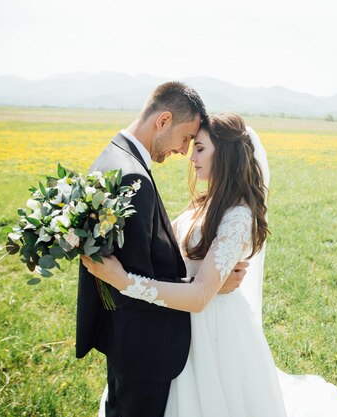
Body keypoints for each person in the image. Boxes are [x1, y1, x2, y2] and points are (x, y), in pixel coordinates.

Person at [83, 112, 337, 416]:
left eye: (200, 148)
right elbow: (176, 257)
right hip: (181, 322)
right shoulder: (204, 202)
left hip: (215, 331)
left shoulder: (237, 217)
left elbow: (201, 296)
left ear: (226, 153)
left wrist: (123, 280)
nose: (191, 158)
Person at [76, 82, 248, 417]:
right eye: (187, 139)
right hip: (144, 344)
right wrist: (205, 288)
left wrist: (206, 281)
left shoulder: (115, 155)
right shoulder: (132, 179)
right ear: (163, 120)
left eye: (197, 147)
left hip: (139, 340)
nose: (185, 153)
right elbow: (133, 278)